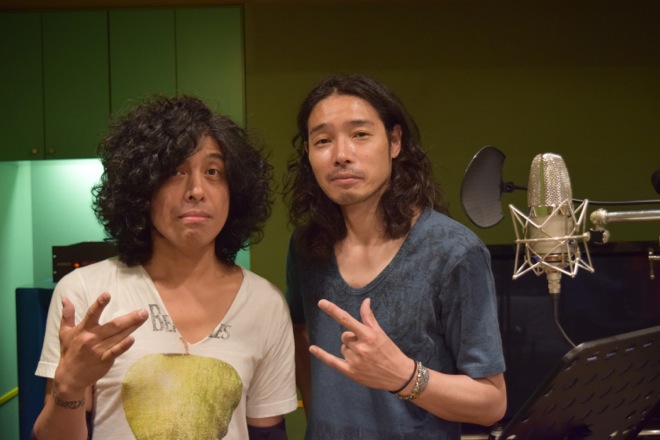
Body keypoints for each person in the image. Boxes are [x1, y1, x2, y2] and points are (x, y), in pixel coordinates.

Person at [32, 96, 297, 440]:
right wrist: (68, 387)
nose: (196, 190)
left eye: (213, 172)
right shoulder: (86, 292)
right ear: (142, 188)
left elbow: (268, 434)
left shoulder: (265, 303)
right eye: (175, 172)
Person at [283, 74, 507, 439]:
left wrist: (404, 376)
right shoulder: (306, 247)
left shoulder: (454, 252)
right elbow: (301, 332)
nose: (341, 155)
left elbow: (492, 402)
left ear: (394, 141)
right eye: (323, 141)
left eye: (360, 134)